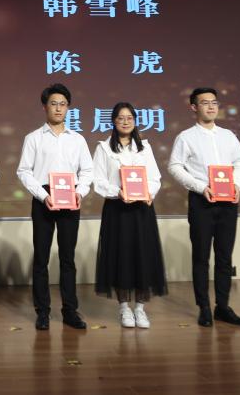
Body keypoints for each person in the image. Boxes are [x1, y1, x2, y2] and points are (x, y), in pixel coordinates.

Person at [168, 88, 240, 328]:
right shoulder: (186, 137)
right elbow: (175, 166)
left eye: (214, 102)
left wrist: (237, 185)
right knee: (201, 256)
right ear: (194, 107)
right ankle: (203, 307)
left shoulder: (228, 136)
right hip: (201, 201)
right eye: (205, 103)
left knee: (224, 256)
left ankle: (223, 306)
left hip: (228, 202)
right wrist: (200, 186)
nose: (211, 107)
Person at [16, 83, 92, 331]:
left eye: (63, 104)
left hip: (71, 198)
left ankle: (70, 311)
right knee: (41, 257)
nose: (58, 108)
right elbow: (24, 171)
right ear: (45, 107)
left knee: (68, 258)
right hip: (44, 199)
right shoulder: (33, 138)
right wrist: (42, 195)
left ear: (68, 107)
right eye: (53, 104)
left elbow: (87, 171)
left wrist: (80, 192)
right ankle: (43, 312)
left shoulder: (77, 139)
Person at [92, 102, 167, 329]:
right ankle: (124, 308)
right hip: (117, 210)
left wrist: (150, 192)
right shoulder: (104, 148)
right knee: (120, 257)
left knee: (143, 256)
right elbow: (98, 180)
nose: (125, 122)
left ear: (135, 121)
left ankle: (140, 309)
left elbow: (155, 178)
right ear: (113, 121)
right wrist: (118, 192)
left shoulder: (144, 147)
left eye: (129, 118)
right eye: (120, 118)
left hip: (142, 210)